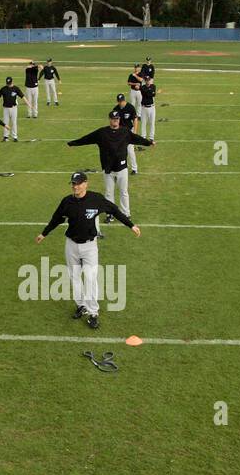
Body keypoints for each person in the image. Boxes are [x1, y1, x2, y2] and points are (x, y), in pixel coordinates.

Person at [36, 171, 140, 329]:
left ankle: (93, 312)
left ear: (86, 183)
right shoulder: (67, 202)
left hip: (90, 247)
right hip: (71, 244)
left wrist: (131, 225)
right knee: (74, 277)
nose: (75, 186)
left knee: (91, 278)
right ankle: (81, 305)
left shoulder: (96, 199)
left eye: (78, 183)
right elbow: (56, 218)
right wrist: (44, 233)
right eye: (73, 183)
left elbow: (114, 210)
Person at [67, 111, 153, 225]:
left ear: (119, 120)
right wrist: (73, 143)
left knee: (124, 192)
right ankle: (110, 214)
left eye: (117, 119)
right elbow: (87, 138)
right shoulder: (102, 133)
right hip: (108, 169)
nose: (115, 121)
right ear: (110, 119)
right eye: (113, 119)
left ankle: (126, 214)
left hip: (122, 168)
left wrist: (148, 143)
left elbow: (137, 138)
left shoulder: (125, 132)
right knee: (108, 193)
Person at [0, 77, 23, 142]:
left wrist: (29, 104)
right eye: (7, 83)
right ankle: (6, 136)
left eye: (9, 83)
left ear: (12, 82)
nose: (8, 85)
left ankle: (15, 137)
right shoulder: (3, 89)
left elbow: (23, 96)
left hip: (14, 108)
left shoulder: (16, 88)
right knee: (5, 123)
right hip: (6, 108)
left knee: (14, 122)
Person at [112, 93, 140, 173]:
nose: (121, 103)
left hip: (128, 132)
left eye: (122, 101)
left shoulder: (130, 107)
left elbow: (135, 119)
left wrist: (135, 131)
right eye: (119, 101)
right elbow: (113, 121)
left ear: (124, 100)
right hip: (119, 132)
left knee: (130, 150)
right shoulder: (115, 109)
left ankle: (134, 168)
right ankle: (122, 167)